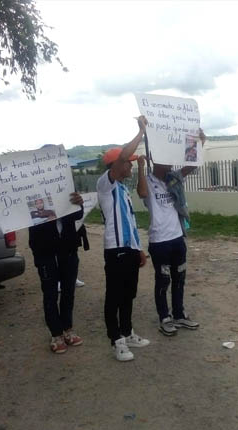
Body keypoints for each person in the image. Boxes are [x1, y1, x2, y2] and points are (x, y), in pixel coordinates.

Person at [137, 130, 205, 336]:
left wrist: (200, 142)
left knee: (179, 278)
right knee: (163, 280)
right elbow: (141, 193)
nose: (170, 165)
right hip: (159, 241)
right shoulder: (147, 181)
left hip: (177, 238)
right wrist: (140, 167)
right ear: (157, 162)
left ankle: (179, 314)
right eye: (166, 161)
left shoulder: (173, 178)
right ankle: (164, 318)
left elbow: (191, 165)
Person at [97, 116, 151, 362]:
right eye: (128, 164)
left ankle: (128, 332)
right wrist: (140, 132)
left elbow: (130, 223)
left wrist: (139, 249)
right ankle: (116, 340)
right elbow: (122, 157)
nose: (129, 167)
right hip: (115, 250)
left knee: (129, 294)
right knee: (114, 296)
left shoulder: (123, 190)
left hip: (128, 249)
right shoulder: (105, 185)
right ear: (115, 166)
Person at [28, 192, 86, 354]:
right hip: (44, 251)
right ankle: (56, 334)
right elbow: (10, 213)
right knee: (50, 293)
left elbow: (78, 215)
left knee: (69, 291)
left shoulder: (63, 184)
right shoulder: (29, 188)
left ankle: (68, 328)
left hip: (68, 247)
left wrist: (79, 203)